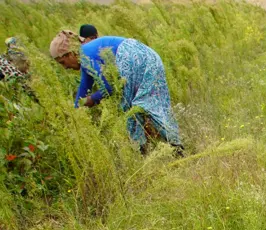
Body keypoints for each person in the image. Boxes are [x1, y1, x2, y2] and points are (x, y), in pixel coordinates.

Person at [48, 30, 181, 152]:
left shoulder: (85, 57)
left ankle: (153, 150)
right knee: (153, 104)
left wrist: (92, 99)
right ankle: (172, 146)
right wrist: (73, 112)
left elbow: (108, 88)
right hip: (149, 56)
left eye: (63, 62)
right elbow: (84, 88)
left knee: (132, 109)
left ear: (70, 54)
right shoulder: (85, 55)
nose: (65, 68)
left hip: (134, 59)